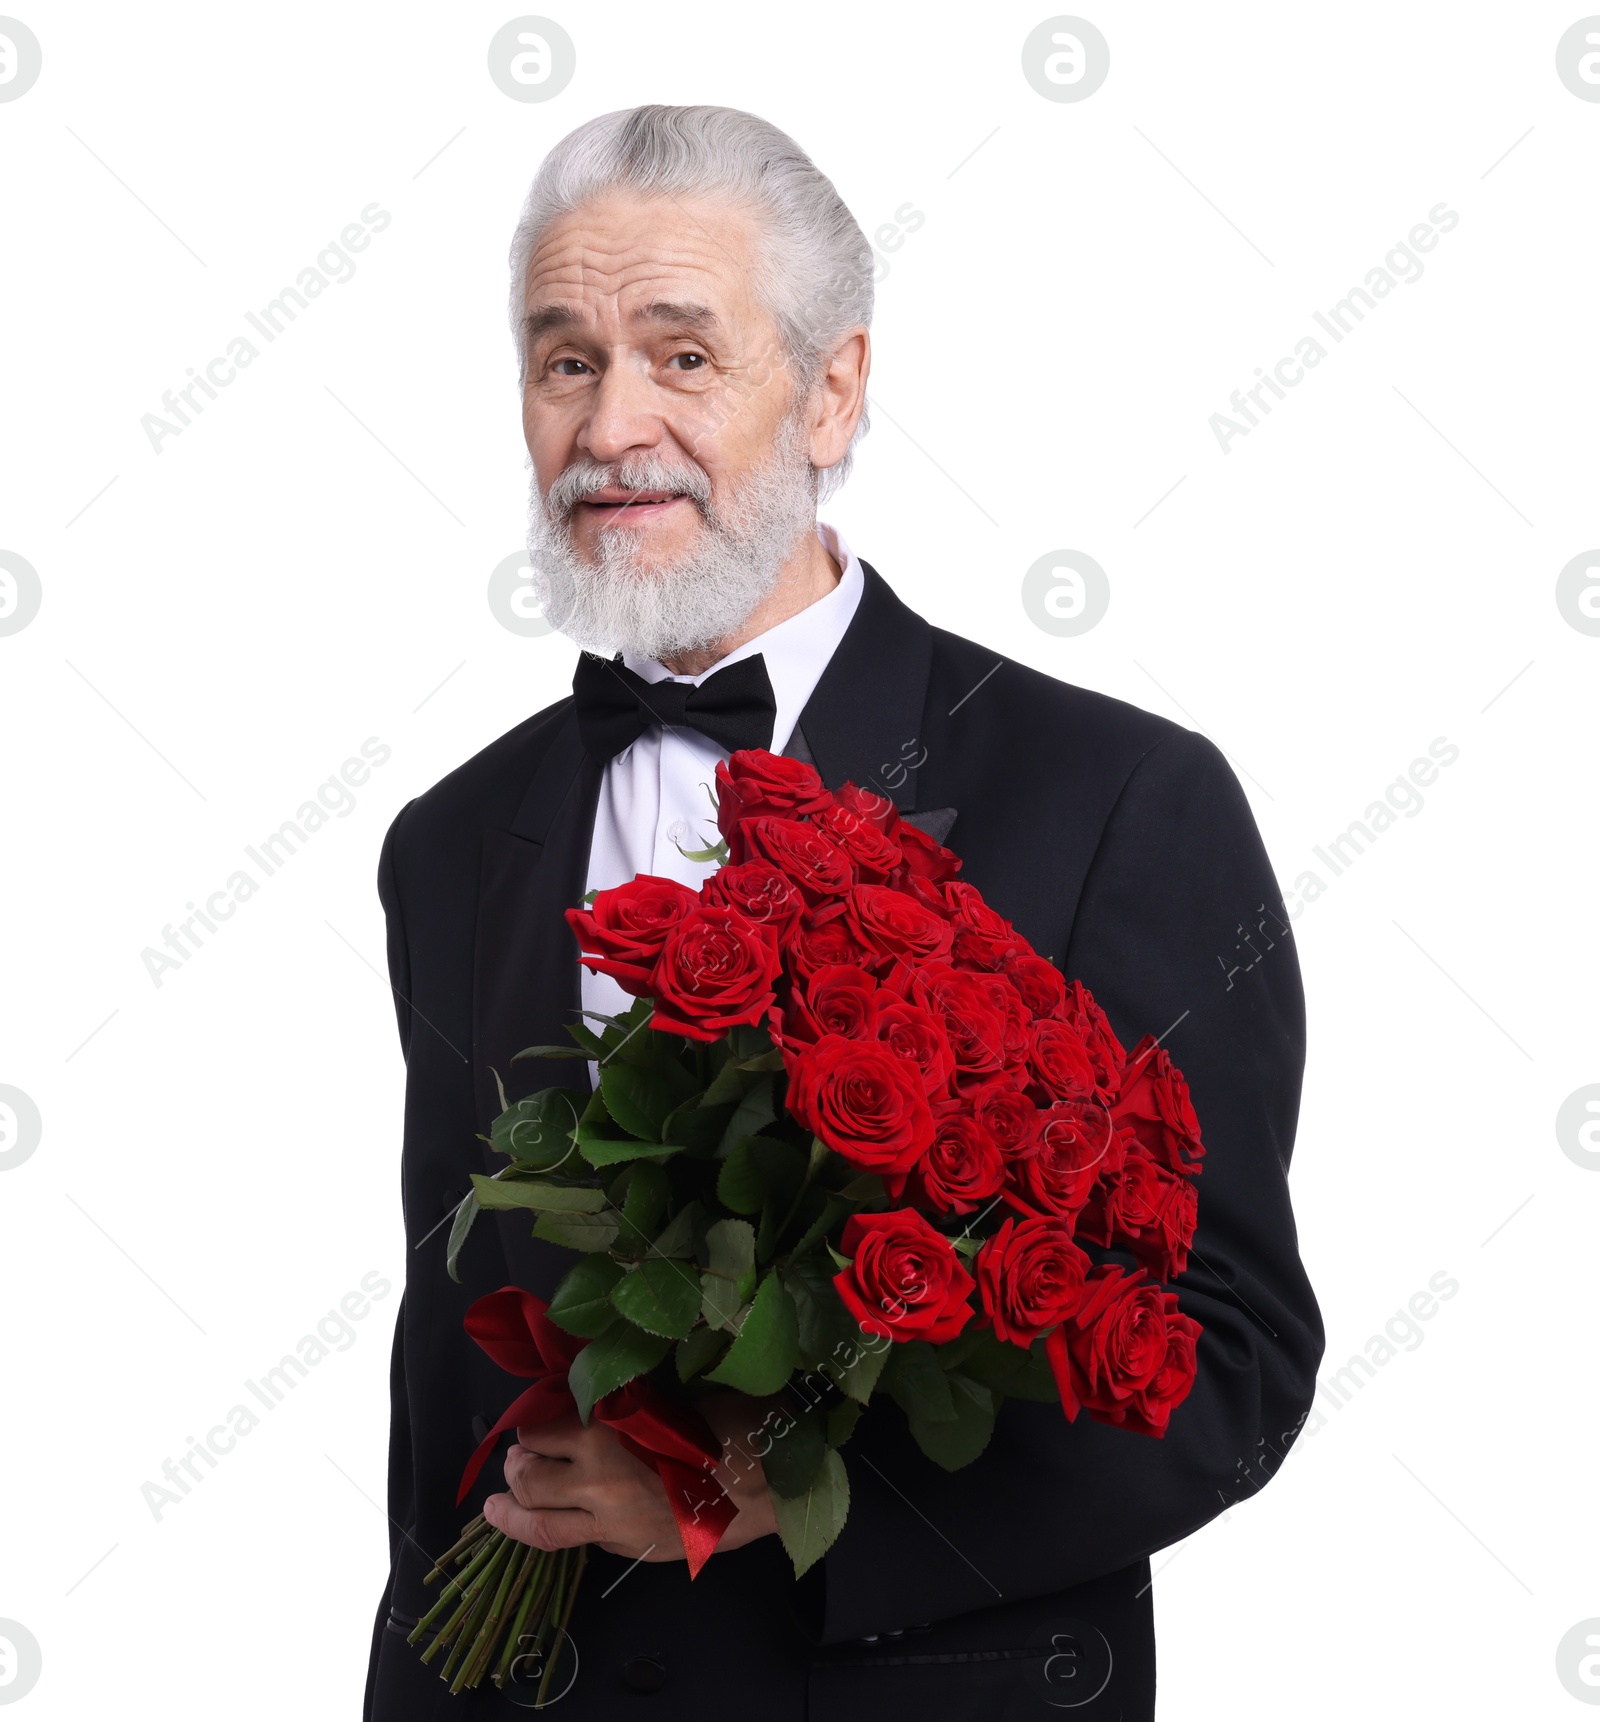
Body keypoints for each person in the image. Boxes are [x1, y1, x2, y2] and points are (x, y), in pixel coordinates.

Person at [365, 103, 1322, 1720]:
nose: (611, 427)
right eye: (564, 360)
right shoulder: (452, 841)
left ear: (832, 388)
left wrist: (776, 1488)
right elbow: (449, 1358)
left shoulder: (1118, 798)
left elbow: (1227, 1363)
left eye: (682, 356)